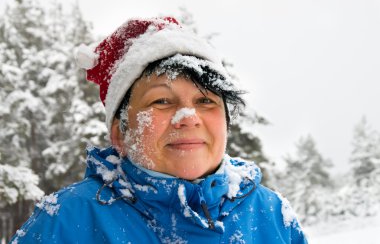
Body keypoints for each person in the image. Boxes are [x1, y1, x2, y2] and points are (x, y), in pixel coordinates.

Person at [10, 17, 308, 243]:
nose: (188, 117)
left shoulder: (272, 215)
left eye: (205, 100)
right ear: (119, 133)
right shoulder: (65, 220)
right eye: (162, 101)